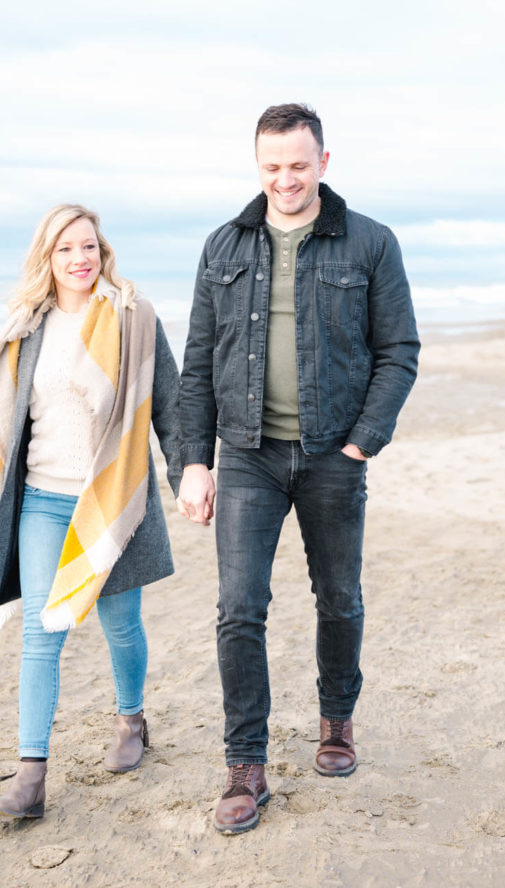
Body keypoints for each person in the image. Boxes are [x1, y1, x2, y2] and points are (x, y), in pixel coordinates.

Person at [177, 103, 419, 834]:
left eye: (298, 165)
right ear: (259, 167)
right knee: (238, 608)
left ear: (323, 163)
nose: (285, 179)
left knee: (337, 598)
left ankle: (335, 723)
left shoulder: (370, 243)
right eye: (271, 167)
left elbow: (398, 350)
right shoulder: (222, 245)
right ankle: (244, 766)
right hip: (246, 457)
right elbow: (195, 366)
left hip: (330, 456)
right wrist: (194, 461)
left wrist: (360, 443)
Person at [0, 203, 181, 819]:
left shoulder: (131, 316)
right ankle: (31, 774)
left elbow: (166, 397)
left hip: (111, 498)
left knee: (120, 624)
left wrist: (187, 470)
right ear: (48, 257)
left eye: (88, 246)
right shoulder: (27, 326)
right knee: (43, 634)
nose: (80, 259)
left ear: (102, 251)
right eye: (65, 249)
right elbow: (7, 419)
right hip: (41, 497)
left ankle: (131, 720)